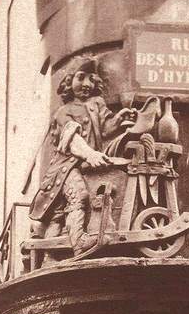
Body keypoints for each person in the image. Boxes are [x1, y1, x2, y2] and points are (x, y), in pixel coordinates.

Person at [29, 56, 137, 255]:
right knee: (78, 196)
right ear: (70, 82)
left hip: (84, 166)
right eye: (81, 78)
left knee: (58, 215)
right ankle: (78, 241)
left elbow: (105, 129)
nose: (86, 84)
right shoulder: (64, 111)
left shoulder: (95, 106)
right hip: (65, 168)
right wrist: (89, 154)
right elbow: (73, 139)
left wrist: (120, 119)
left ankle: (49, 256)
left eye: (90, 78)